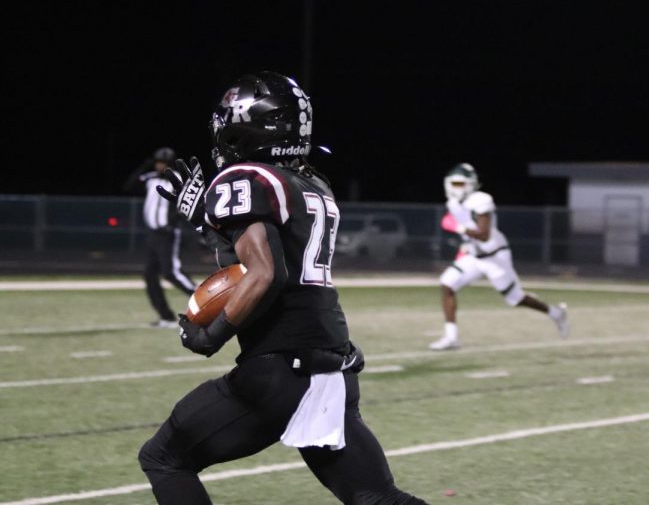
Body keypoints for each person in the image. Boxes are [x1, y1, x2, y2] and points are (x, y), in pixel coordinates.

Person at [139, 72, 427, 505]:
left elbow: (264, 272)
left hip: (279, 372)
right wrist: (208, 220)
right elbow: (289, 266)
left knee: (163, 458)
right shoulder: (313, 184)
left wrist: (210, 336)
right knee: (375, 497)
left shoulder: (246, 177)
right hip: (331, 367)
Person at [429, 163, 569, 351]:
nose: (456, 188)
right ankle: (451, 337)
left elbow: (484, 235)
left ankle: (555, 312)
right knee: (447, 284)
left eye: (460, 183)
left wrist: (458, 228)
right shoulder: (452, 204)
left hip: (495, 257)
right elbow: (467, 232)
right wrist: (463, 248)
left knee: (515, 298)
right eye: (454, 183)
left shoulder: (482, 200)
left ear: (471, 184)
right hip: (474, 255)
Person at [124, 147, 196, 327]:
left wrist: (173, 222)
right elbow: (129, 186)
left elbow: (187, 204)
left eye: (162, 163)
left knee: (172, 273)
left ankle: (206, 300)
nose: (159, 166)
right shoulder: (150, 179)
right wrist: (145, 166)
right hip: (153, 235)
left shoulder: (177, 180)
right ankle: (166, 316)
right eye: (157, 162)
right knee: (150, 275)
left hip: (167, 234)